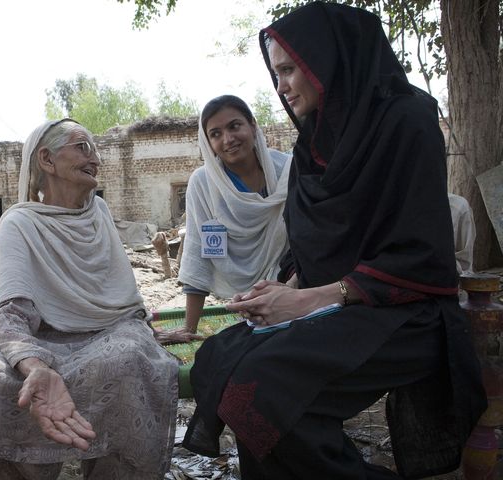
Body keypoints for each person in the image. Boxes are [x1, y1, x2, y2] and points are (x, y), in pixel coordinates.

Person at [182, 3, 486, 479]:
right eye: (275, 72)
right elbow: (314, 244)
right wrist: (285, 288)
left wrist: (310, 301)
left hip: (404, 311)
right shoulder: (314, 143)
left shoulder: (408, 120)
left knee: (265, 390)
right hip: (334, 309)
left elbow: (420, 252)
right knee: (221, 359)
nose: (279, 86)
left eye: (288, 69)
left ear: (328, 59)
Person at [0, 119, 179, 479]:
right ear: (46, 159)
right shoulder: (19, 223)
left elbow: (120, 303)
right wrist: (37, 368)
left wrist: (147, 332)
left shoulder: (99, 214)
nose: (95, 159)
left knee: (129, 359)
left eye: (95, 148)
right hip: (38, 339)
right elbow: (10, 314)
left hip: (107, 333)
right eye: (82, 147)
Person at [177, 95, 291, 335]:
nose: (228, 140)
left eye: (234, 126)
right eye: (215, 134)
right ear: (207, 142)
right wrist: (188, 329)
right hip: (238, 299)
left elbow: (306, 240)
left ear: (252, 125)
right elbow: (199, 253)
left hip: (292, 285)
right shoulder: (203, 184)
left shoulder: (288, 171)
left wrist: (288, 292)